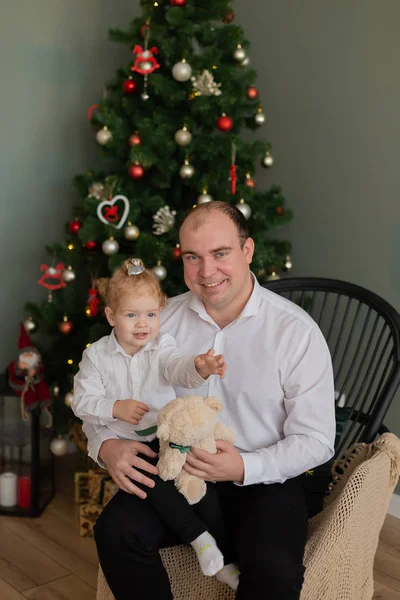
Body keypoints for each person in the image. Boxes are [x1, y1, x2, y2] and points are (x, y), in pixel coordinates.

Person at [87, 202, 336, 600]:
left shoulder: (295, 332)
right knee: (116, 532)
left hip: (263, 476)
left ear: (247, 251)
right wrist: (106, 445)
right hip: (175, 470)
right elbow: (103, 386)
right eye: (192, 257)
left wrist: (243, 465)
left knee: (273, 569)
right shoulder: (155, 322)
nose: (206, 272)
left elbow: (317, 439)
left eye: (220, 254)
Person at [72, 258, 239, 586]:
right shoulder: (96, 357)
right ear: (111, 316)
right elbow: (81, 402)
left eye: (151, 314)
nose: (142, 324)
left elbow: (178, 369)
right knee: (156, 485)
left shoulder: (162, 346)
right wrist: (114, 407)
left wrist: (200, 368)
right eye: (131, 315)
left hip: (167, 435)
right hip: (131, 443)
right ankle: (200, 540)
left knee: (199, 486)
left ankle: (226, 559)